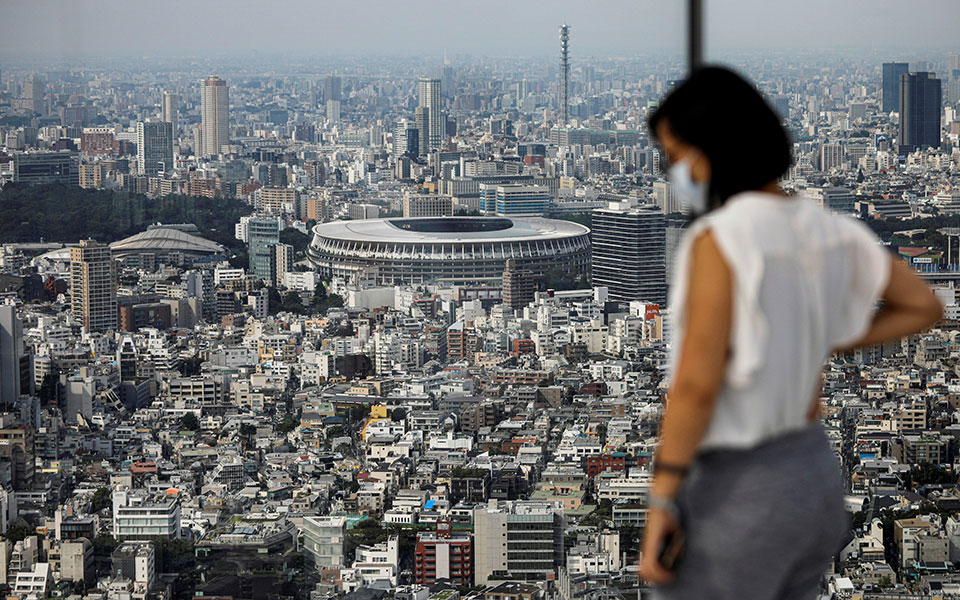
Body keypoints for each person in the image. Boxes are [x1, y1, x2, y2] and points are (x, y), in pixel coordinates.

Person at [638, 66, 943, 599]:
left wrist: (663, 497)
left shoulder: (719, 239)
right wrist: (824, 336)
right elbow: (922, 305)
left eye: (677, 153)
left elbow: (695, 385)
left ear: (713, 150)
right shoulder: (831, 229)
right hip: (813, 473)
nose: (674, 169)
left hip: (741, 482)